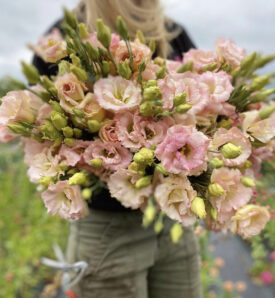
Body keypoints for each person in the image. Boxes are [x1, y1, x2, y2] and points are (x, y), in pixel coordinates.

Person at [33, 1, 201, 297]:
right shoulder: (62, 37)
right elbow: (41, 130)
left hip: (172, 218)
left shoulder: (174, 34)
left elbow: (205, 106)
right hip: (108, 230)